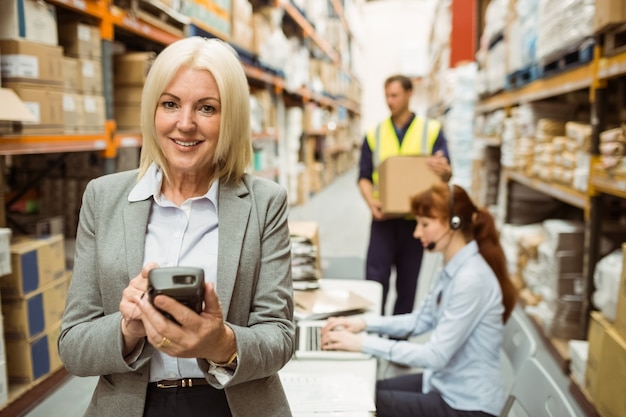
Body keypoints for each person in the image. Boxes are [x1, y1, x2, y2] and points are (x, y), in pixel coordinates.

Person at [58, 37, 295, 417]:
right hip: (133, 406)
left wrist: (221, 342)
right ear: (152, 111)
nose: (185, 124)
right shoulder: (103, 198)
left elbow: (280, 338)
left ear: (230, 117)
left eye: (207, 108)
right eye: (170, 104)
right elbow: (73, 347)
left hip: (232, 403)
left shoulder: (264, 203)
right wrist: (128, 329)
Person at [321, 183, 517, 417]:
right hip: (443, 383)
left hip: (466, 406)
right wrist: (365, 324)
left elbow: (434, 356)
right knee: (366, 388)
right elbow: (421, 321)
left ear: (453, 224)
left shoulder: (471, 279)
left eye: (425, 224)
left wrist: (361, 343)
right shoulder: (452, 265)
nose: (416, 233)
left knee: (361, 400)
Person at [359, 74, 452, 315]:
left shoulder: (431, 131)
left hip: (416, 224)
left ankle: (396, 344)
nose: (390, 101)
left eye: (395, 95)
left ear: (410, 94)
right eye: (387, 96)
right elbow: (364, 177)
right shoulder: (374, 134)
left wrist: (445, 169)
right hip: (383, 220)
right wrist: (371, 202)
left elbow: (446, 170)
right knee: (374, 282)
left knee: (407, 285)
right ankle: (370, 334)